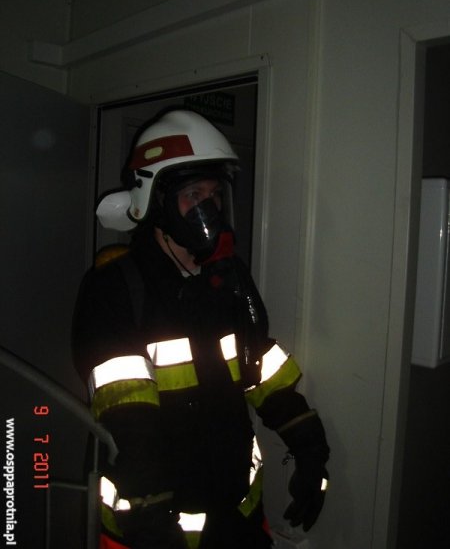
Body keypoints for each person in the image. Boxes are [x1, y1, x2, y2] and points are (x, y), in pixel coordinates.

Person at [72, 109, 330, 549]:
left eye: (214, 195)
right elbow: (126, 414)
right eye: (193, 194)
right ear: (155, 200)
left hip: (239, 519)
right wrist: (152, 517)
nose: (207, 209)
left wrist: (309, 446)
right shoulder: (116, 287)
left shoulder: (224, 280)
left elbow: (259, 367)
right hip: (153, 529)